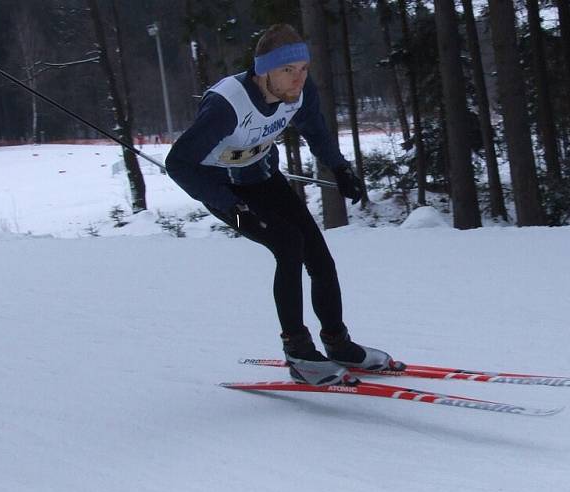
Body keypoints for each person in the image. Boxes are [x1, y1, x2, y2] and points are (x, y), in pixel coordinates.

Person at [165, 24, 400, 386]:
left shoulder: (301, 94)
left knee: (319, 257)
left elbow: (316, 130)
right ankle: (298, 353)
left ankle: (338, 344)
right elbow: (179, 163)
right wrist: (230, 205)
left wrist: (339, 168)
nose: (298, 79)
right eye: (287, 70)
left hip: (262, 178)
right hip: (224, 190)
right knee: (288, 245)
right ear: (263, 71)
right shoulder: (226, 106)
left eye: (303, 69)